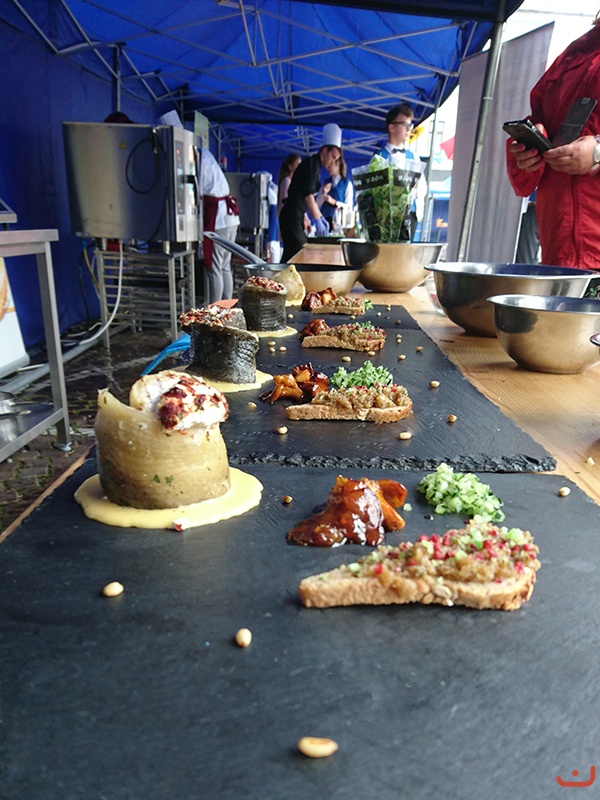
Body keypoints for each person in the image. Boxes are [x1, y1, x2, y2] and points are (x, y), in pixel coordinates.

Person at [506, 12, 600, 270]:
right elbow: (539, 119)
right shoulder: (577, 51)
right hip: (559, 248)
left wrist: (597, 152)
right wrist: (529, 147)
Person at [278, 124, 343, 262]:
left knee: (291, 256)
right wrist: (317, 219)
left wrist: (320, 217)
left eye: (336, 159)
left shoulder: (315, 166)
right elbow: (307, 195)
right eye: (332, 156)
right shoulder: (312, 165)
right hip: (292, 215)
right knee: (297, 255)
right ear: (324, 150)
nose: (333, 161)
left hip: (295, 215)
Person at [376, 103, 427, 240]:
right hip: (388, 217)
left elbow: (422, 187)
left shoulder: (413, 157)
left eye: (410, 125)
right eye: (404, 124)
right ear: (391, 127)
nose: (408, 129)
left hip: (410, 214)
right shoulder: (379, 158)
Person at [200, 147, 240, 304]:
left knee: (214, 266)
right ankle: (226, 305)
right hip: (230, 218)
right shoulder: (208, 159)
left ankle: (215, 308)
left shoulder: (200, 159)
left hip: (219, 219)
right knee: (224, 266)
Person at [316, 153, 354, 232]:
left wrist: (335, 202)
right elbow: (317, 204)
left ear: (337, 164)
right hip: (325, 221)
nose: (327, 169)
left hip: (338, 223)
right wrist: (323, 193)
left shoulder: (347, 184)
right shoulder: (326, 182)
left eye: (330, 166)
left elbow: (349, 207)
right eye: (326, 167)